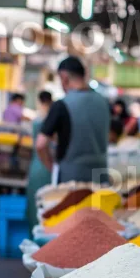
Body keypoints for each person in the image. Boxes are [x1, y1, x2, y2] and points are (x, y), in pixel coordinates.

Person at [36, 56, 111, 184]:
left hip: (71, 180)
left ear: (64, 77)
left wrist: (52, 167)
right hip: (101, 176)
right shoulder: (103, 102)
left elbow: (40, 144)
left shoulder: (62, 105)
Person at [26, 91, 53, 230]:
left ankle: (33, 243)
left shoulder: (37, 119)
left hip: (37, 164)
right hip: (48, 165)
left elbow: (38, 145)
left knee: (35, 207)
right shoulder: (52, 117)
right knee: (49, 207)